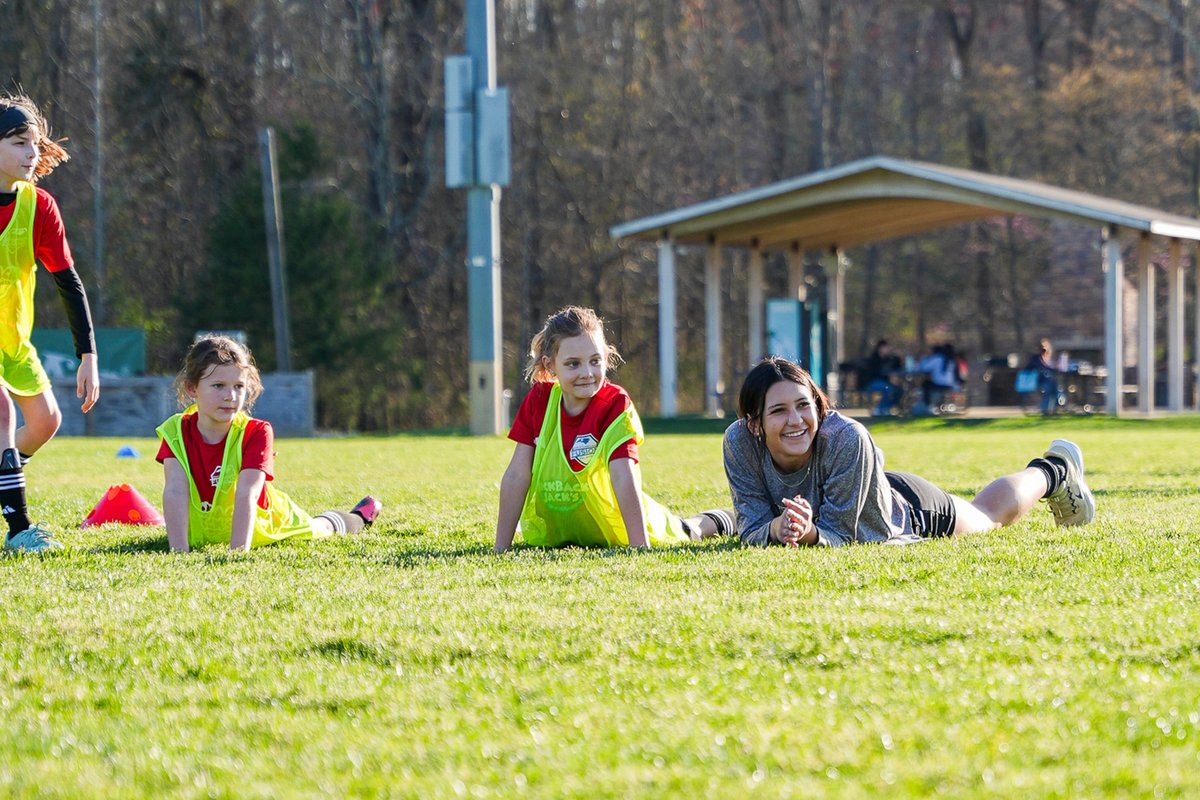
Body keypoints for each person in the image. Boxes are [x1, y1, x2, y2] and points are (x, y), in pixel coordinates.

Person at [722, 357, 1095, 547]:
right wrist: (775, 527)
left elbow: (843, 536)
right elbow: (750, 523)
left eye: (804, 405)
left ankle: (1052, 471)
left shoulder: (846, 436)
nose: (796, 420)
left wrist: (809, 535)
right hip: (860, 492)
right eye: (778, 411)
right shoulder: (739, 441)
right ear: (754, 423)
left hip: (903, 509)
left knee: (986, 517)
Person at [495, 306, 733, 551]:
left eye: (595, 361)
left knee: (686, 529)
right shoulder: (539, 400)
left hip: (619, 530)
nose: (587, 373)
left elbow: (624, 476)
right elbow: (516, 475)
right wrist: (500, 548)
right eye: (573, 364)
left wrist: (639, 546)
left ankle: (718, 519)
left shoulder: (615, 404)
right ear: (551, 364)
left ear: (606, 359)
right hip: (561, 534)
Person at [156, 335, 381, 552]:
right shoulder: (176, 431)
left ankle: (358, 517)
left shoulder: (256, 432)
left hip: (265, 526)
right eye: (218, 386)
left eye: (238, 386)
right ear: (192, 388)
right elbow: (175, 491)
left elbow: (248, 493)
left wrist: (237, 553)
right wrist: (179, 551)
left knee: (321, 528)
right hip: (204, 531)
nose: (230, 396)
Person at [0, 94, 100, 553]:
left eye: (35, 144)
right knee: (2, 414)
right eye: (20, 143)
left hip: (13, 345)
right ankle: (19, 529)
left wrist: (88, 355)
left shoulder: (39, 206)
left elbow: (68, 282)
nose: (32, 154)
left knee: (44, 422)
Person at [859, 339, 903, 416]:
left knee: (898, 389)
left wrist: (898, 357)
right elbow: (875, 373)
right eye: (885, 347)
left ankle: (886, 408)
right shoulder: (874, 359)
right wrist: (888, 379)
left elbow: (897, 367)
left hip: (885, 382)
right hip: (871, 383)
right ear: (880, 348)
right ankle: (879, 409)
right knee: (888, 389)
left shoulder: (889, 359)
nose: (887, 349)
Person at [918, 343, 962, 412]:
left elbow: (924, 368)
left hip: (940, 384)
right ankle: (937, 405)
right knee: (928, 384)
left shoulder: (938, 358)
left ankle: (928, 405)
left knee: (925, 384)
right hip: (950, 384)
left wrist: (925, 358)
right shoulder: (952, 360)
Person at [1024, 339, 1063, 415]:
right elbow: (1043, 368)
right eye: (1043, 348)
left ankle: (1054, 408)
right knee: (1050, 389)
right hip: (1034, 381)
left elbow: (1048, 368)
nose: (1044, 350)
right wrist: (1055, 369)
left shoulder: (1045, 358)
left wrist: (1055, 368)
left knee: (1054, 386)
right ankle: (1045, 410)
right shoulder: (1036, 358)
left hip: (1042, 381)